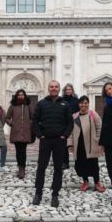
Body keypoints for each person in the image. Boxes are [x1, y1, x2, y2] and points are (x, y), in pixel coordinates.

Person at [32, 80, 74, 208]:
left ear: (59, 89)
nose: (54, 88)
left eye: (56, 87)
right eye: (52, 87)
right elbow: (34, 120)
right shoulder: (41, 104)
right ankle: (38, 192)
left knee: (58, 168)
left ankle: (55, 194)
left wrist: (64, 135)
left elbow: (70, 122)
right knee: (41, 167)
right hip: (45, 140)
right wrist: (40, 135)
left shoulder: (65, 104)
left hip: (59, 141)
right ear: (48, 88)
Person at [68, 95, 106, 193]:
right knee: (80, 164)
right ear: (79, 104)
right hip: (79, 145)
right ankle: (85, 181)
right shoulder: (74, 116)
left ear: (88, 104)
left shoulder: (93, 114)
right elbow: (70, 131)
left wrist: (97, 139)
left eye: (85, 103)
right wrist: (70, 144)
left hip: (90, 145)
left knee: (93, 164)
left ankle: (97, 182)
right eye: (81, 103)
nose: (83, 105)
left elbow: (99, 126)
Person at [6, 89, 34, 179]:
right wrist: (11, 124)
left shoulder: (28, 106)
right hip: (16, 132)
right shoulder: (13, 106)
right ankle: (20, 167)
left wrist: (30, 124)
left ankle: (22, 169)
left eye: (22, 95)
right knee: (18, 152)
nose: (20, 96)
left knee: (23, 151)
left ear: (25, 96)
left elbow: (33, 117)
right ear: (16, 96)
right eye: (19, 95)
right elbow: (7, 118)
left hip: (25, 132)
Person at [61, 83, 79, 170]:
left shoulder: (76, 100)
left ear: (72, 90)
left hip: (75, 124)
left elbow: (79, 111)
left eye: (70, 89)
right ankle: (65, 162)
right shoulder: (61, 100)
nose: (68, 91)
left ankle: (78, 163)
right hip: (64, 124)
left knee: (76, 144)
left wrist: (74, 116)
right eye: (67, 89)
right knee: (64, 145)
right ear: (64, 91)